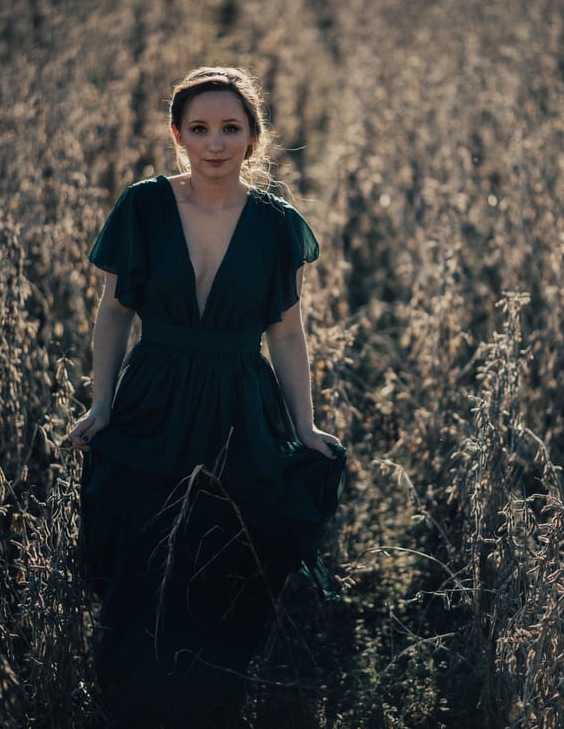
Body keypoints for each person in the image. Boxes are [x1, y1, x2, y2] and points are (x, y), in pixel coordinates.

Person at [68, 66, 347, 728]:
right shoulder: (143, 206)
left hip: (236, 403)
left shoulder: (276, 223)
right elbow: (114, 313)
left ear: (253, 137)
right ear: (177, 134)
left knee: (223, 558)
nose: (215, 143)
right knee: (141, 548)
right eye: (200, 128)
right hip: (152, 398)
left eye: (230, 128)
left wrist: (304, 426)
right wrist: (101, 403)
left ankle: (213, 700)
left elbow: (285, 330)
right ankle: (135, 700)